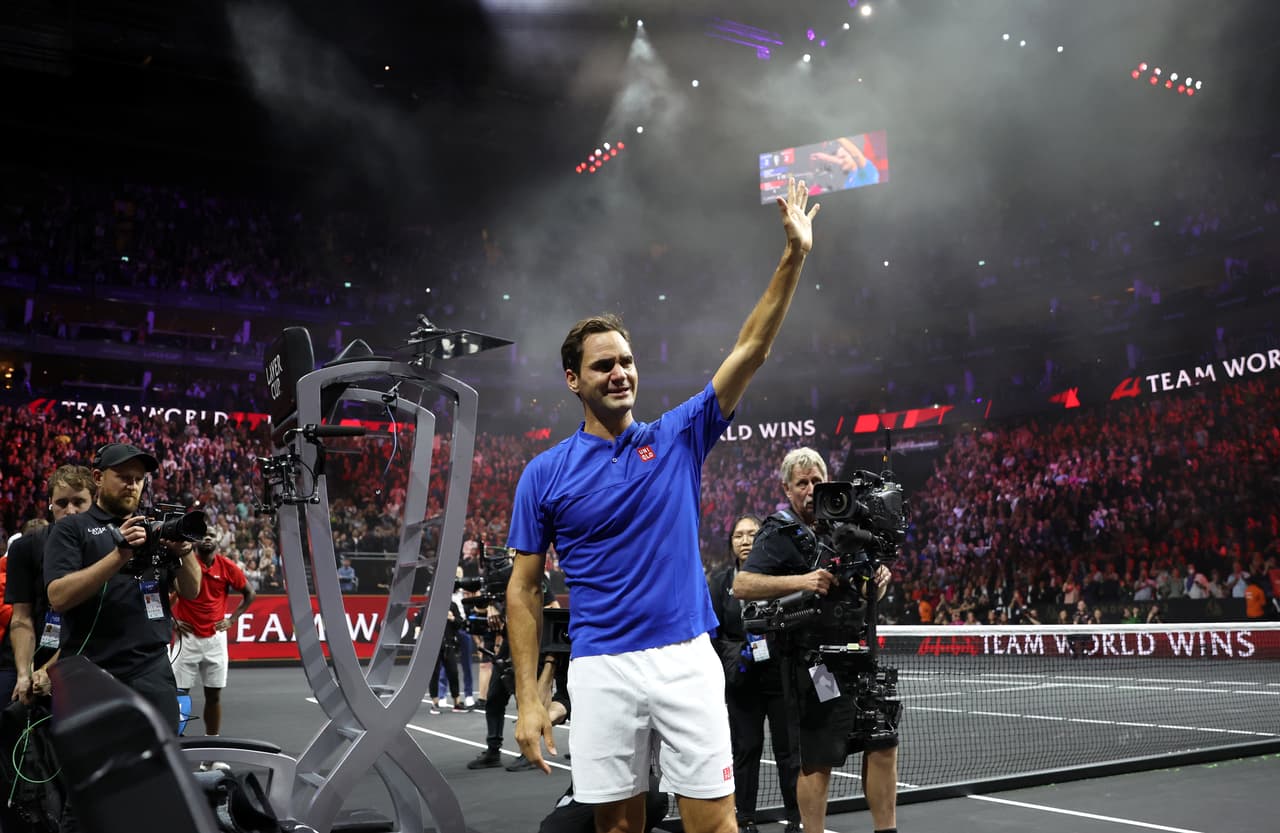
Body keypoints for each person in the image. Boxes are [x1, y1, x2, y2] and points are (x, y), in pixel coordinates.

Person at [506, 176, 820, 833]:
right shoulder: (544, 473)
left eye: (626, 360)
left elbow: (751, 348)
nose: (619, 372)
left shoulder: (679, 435)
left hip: (685, 657)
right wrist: (528, 695)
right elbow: (524, 589)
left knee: (715, 824)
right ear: (573, 379)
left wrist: (793, 257)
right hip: (600, 667)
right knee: (619, 827)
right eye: (601, 366)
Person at [734, 448, 897, 833]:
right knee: (817, 757)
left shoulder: (850, 524)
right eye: (802, 483)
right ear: (787, 489)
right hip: (815, 665)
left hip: (860, 656)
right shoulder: (778, 530)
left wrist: (878, 585)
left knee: (882, 742)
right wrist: (802, 581)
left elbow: (861, 594)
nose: (811, 489)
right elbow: (743, 585)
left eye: (817, 481)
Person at [44, 443, 202, 732]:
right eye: (124, 476)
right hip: (91, 669)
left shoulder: (153, 529)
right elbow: (58, 597)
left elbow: (192, 591)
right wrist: (120, 554)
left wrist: (185, 551)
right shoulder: (72, 528)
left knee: (158, 767)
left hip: (152, 670)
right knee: (92, 770)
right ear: (98, 477)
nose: (132, 485)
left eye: (139, 479)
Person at [709, 514, 800, 833]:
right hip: (742, 679)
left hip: (780, 675)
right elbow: (714, 634)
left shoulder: (782, 576)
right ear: (731, 544)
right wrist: (737, 660)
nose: (745, 540)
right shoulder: (720, 582)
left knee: (789, 751)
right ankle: (744, 818)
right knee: (745, 750)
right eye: (738, 536)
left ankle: (796, 816)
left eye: (752, 534)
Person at [5, 465, 96, 704]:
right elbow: (21, 618)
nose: (70, 510)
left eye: (79, 502)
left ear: (93, 502)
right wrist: (25, 673)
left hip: (83, 657)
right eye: (62, 503)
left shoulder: (105, 550)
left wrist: (49, 670)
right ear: (50, 504)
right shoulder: (24, 548)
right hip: (27, 653)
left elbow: (93, 628)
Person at [170, 533, 254, 737]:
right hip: (186, 638)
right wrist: (172, 621)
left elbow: (249, 594)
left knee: (214, 695)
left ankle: (212, 746)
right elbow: (162, 593)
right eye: (203, 535)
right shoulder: (183, 564)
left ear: (217, 541)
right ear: (196, 541)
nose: (207, 538)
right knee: (179, 695)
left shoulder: (227, 566)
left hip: (215, 638)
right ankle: (174, 742)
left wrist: (232, 620)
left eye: (212, 535)